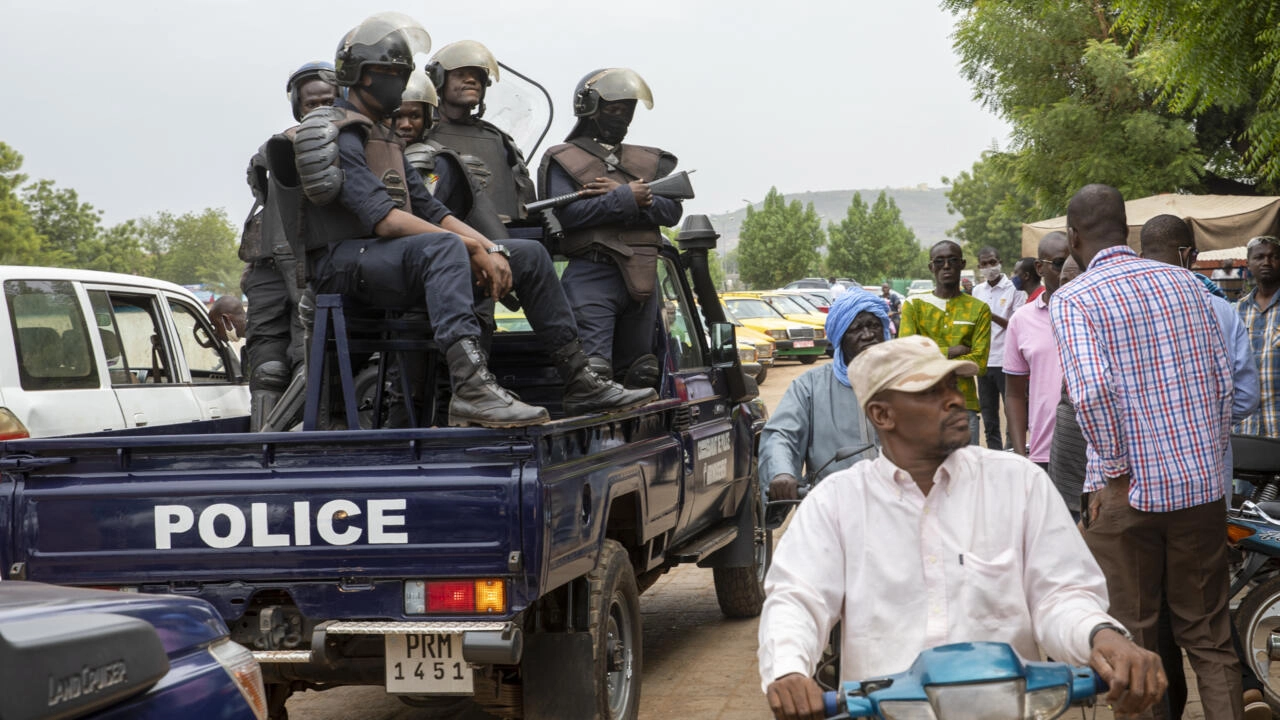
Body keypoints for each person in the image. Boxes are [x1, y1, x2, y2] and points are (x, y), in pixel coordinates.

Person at [758, 335, 1165, 720]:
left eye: (953, 385)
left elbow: (1060, 594)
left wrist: (1101, 635)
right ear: (882, 414)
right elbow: (797, 598)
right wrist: (789, 670)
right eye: (931, 391)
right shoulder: (837, 502)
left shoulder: (1018, 483)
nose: (955, 400)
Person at [296, 13, 653, 429]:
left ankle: (580, 381)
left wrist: (491, 247)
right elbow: (386, 220)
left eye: (402, 71)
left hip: (387, 257)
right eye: (389, 72)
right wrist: (470, 247)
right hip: (343, 264)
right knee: (445, 247)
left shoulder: (385, 135)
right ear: (357, 74)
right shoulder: (340, 132)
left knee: (529, 255)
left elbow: (431, 211)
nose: (398, 80)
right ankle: (472, 390)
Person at [1051, 183, 1241, 720]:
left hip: (1127, 495)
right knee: (1209, 637)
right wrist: (1205, 453)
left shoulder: (1074, 298)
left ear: (1073, 237)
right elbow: (1223, 380)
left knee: (1133, 645)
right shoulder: (1187, 283)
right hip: (1201, 489)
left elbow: (1089, 391)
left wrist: (1112, 471)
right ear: (1128, 230)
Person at [1139, 214, 1265, 720]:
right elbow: (1246, 396)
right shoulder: (1217, 308)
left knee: (1149, 622)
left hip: (1138, 487)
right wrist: (1202, 415)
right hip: (1206, 486)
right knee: (1208, 625)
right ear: (1189, 256)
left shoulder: (1122, 308)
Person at [538, 68, 683, 387]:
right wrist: (624, 199)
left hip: (643, 274)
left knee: (641, 373)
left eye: (626, 110)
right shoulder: (564, 159)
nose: (621, 117)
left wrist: (638, 200)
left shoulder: (650, 161)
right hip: (591, 273)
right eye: (613, 109)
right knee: (593, 374)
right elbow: (565, 216)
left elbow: (671, 211)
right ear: (590, 109)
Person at [240, 61, 337, 430]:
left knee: (308, 360)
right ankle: (262, 451)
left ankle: (286, 444)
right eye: (312, 103)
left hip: (318, 266)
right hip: (271, 266)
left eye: (328, 100)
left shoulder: (355, 144)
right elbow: (261, 177)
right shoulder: (278, 146)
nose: (320, 108)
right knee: (267, 369)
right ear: (299, 106)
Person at [758, 289, 890, 502]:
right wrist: (781, 472)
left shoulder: (906, 380)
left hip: (898, 503)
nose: (868, 335)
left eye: (874, 326)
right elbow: (781, 435)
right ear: (840, 338)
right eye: (856, 328)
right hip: (833, 505)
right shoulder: (809, 386)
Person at [424, 40, 539, 237]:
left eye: (477, 76)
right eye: (460, 74)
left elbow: (525, 203)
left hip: (501, 236)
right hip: (441, 236)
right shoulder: (420, 131)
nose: (471, 81)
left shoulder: (498, 139)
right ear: (440, 80)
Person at [898, 240, 990, 444]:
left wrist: (927, 361)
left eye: (952, 260)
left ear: (962, 264)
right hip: (921, 406)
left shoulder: (979, 309)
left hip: (963, 407)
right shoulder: (914, 305)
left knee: (965, 473)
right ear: (931, 267)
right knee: (923, 473)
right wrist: (953, 351)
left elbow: (979, 364)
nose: (946, 266)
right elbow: (905, 356)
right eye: (939, 261)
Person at [1003, 233, 1068, 471]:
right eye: (1060, 263)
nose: (1069, 271)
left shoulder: (1097, 313)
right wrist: (1022, 458)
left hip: (1098, 452)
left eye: (1077, 263)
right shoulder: (1021, 320)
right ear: (1040, 267)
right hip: (1045, 453)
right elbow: (1014, 394)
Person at [971, 246, 1026, 450]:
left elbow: (1016, 325)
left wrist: (989, 315)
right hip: (984, 361)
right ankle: (994, 454)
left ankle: (1012, 451)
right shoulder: (977, 291)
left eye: (992, 262)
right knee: (988, 413)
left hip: (1007, 361)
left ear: (1000, 261)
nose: (989, 267)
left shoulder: (1014, 289)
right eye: (984, 264)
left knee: (1012, 410)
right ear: (979, 267)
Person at [1047, 256, 1087, 518]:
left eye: (1076, 281)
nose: (1067, 290)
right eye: (1063, 282)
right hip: (1061, 452)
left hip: (1100, 467)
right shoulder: (1046, 316)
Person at [1237, 235, 1280, 437]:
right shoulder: (1235, 312)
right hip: (1244, 431)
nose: (1266, 262)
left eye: (1274, 257)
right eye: (1259, 257)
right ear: (1248, 264)